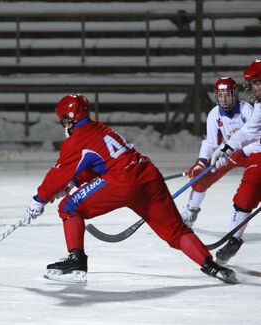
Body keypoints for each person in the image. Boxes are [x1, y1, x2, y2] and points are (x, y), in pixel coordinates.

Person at [24, 93, 237, 284]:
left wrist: (39, 200)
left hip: (123, 182)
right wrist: (74, 182)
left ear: (69, 118)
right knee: (175, 231)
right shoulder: (100, 129)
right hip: (149, 177)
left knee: (69, 208)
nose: (64, 124)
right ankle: (212, 266)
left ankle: (76, 260)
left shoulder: (77, 139)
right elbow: (100, 162)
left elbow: (58, 173)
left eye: (64, 119)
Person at [180, 77, 253, 227]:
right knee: (202, 177)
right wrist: (201, 162)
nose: (224, 99)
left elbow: (255, 137)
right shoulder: (214, 114)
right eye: (220, 95)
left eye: (228, 94)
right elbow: (211, 143)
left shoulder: (247, 110)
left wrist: (240, 152)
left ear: (235, 95)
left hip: (250, 152)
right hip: (227, 153)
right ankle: (191, 211)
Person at [210, 59, 261, 264]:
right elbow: (251, 131)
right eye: (253, 84)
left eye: (258, 82)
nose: (254, 88)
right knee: (248, 188)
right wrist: (227, 146)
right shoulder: (259, 104)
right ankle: (234, 239)